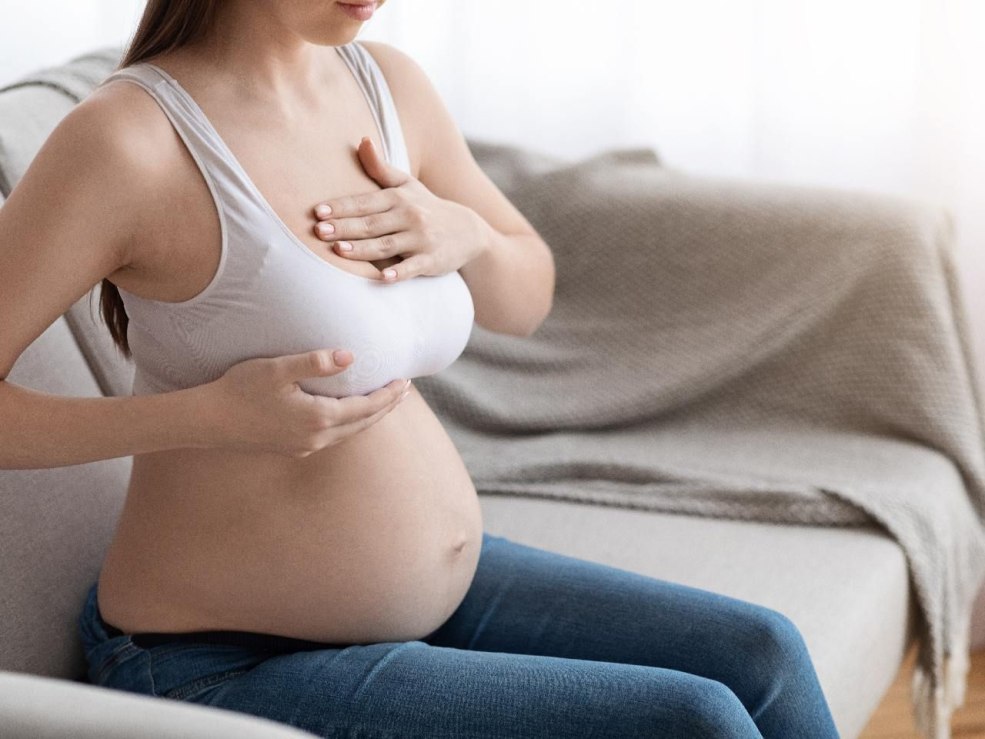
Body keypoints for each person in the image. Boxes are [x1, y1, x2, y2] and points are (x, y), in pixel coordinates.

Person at [0, 1, 841, 736]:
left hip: (439, 593)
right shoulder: (129, 140)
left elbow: (525, 297)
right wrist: (207, 415)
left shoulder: (384, 85)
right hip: (222, 661)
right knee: (692, 720)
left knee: (762, 653)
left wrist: (462, 232)